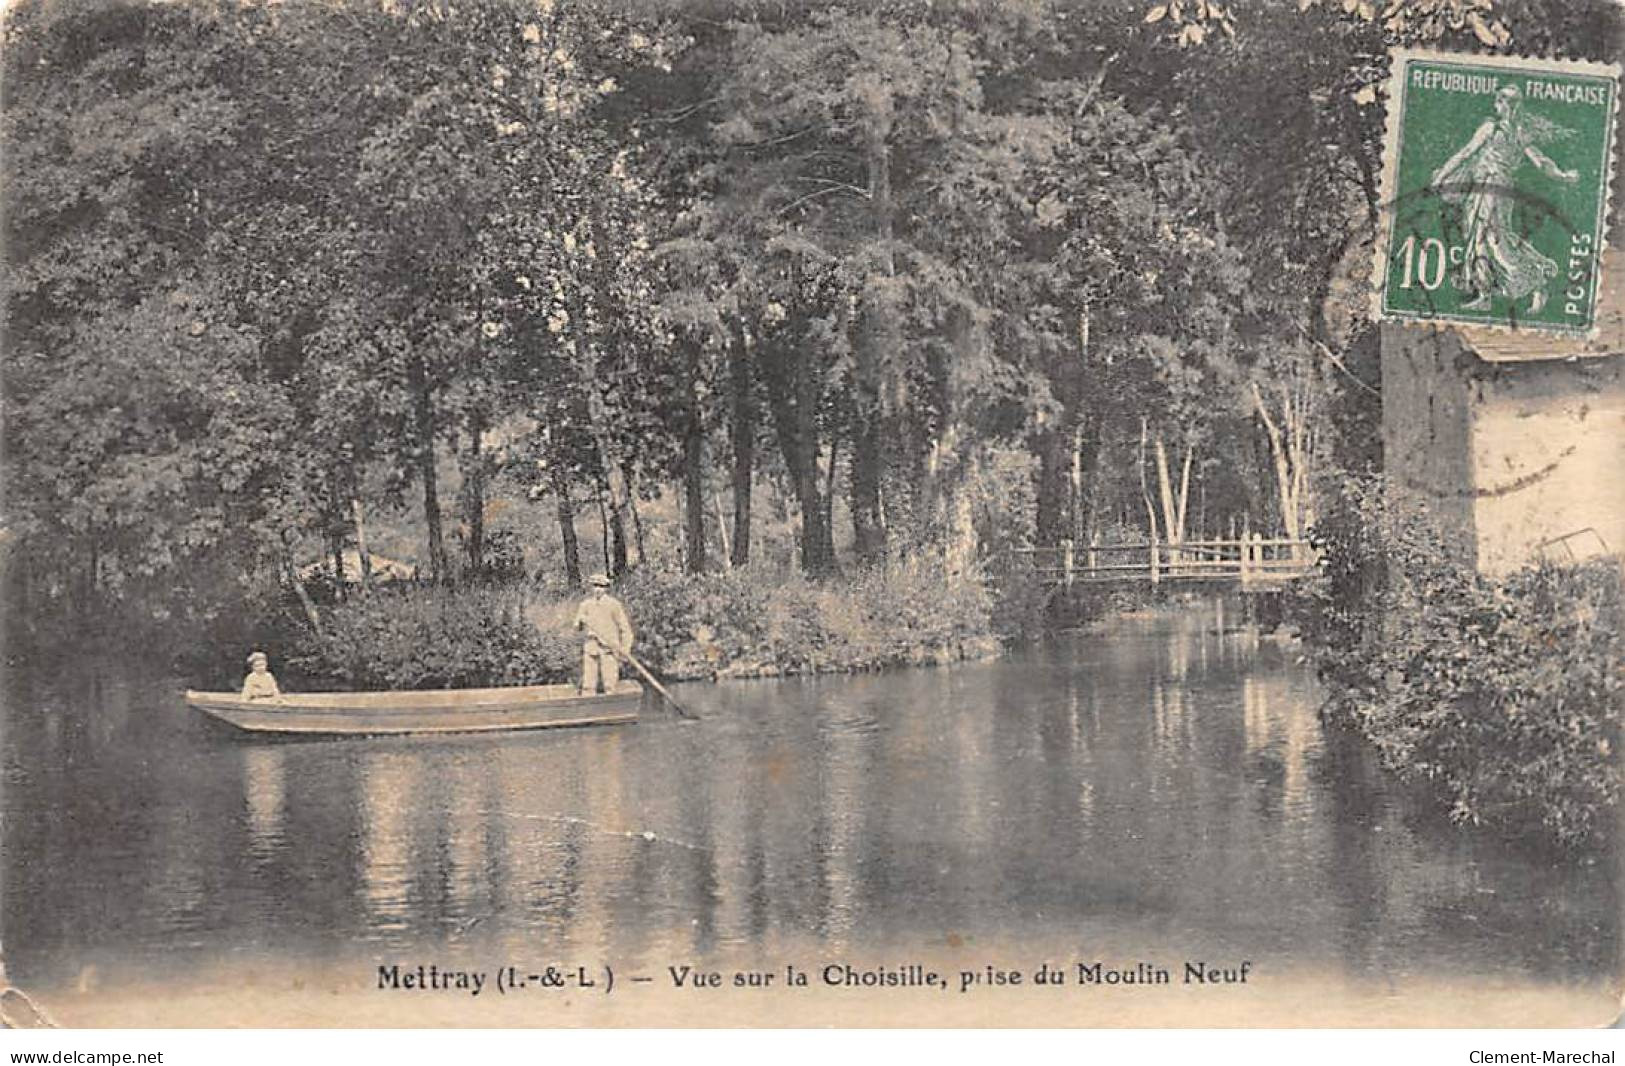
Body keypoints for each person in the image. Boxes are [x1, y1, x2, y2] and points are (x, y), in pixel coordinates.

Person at [1428, 83, 1579, 314]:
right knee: (1493, 237)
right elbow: (1542, 162)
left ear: (1502, 103)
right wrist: (1563, 175)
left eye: (1499, 101)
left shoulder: (1491, 127)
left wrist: (1442, 176)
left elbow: (1466, 153)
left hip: (1489, 186)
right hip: (1498, 189)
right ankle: (1498, 290)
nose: (1496, 105)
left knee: (1484, 239)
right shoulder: (1520, 133)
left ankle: (1528, 282)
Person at [573, 573, 634, 696]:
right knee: (588, 686)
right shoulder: (585, 605)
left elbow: (626, 629)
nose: (598, 590)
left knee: (610, 685)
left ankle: (611, 708)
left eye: (601, 586)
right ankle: (588, 708)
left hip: (609, 649)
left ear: (606, 588)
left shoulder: (614, 605)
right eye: (595, 586)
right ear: (591, 588)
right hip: (591, 647)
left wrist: (625, 648)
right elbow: (577, 627)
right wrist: (580, 622)